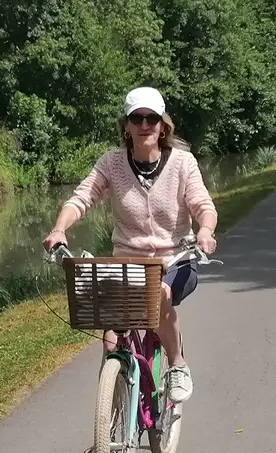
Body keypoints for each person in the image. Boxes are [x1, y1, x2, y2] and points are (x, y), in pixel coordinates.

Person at [42, 86, 218, 402]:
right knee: (111, 334)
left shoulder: (182, 163)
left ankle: (177, 364)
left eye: (152, 118)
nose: (145, 124)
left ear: (163, 124)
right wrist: (59, 229)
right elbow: (82, 197)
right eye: (137, 118)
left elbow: (202, 203)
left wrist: (205, 230)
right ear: (126, 124)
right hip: (128, 263)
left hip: (175, 259)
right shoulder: (111, 163)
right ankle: (112, 410)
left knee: (159, 295)